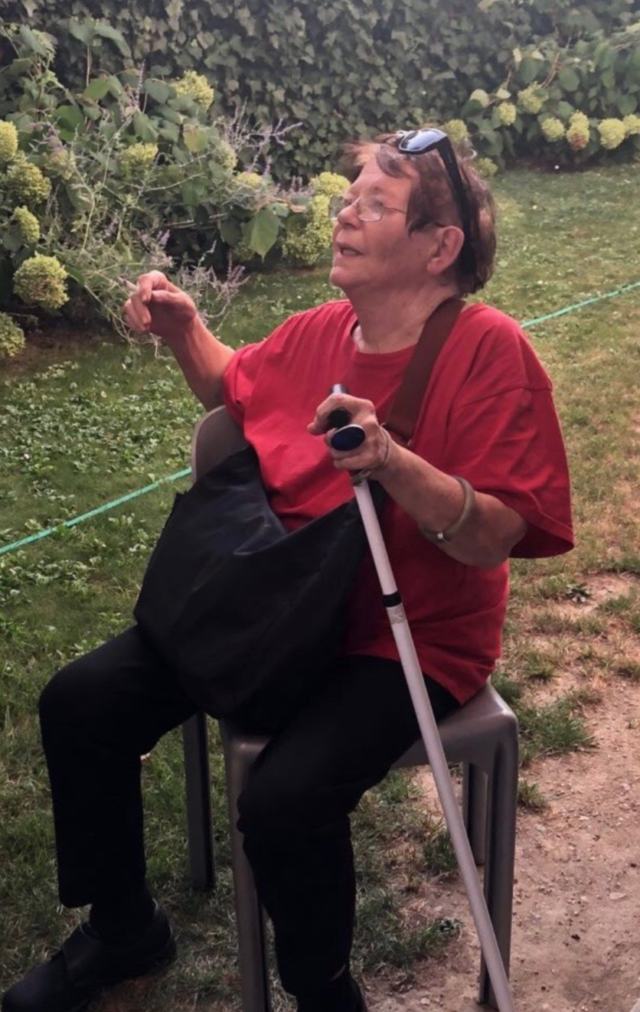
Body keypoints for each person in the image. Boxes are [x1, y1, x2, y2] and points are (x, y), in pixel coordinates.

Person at [2, 127, 573, 1012]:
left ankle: (324, 993)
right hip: (276, 604)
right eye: (350, 197)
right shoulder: (321, 330)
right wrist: (187, 329)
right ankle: (125, 932)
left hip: (404, 640)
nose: (343, 214)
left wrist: (390, 459)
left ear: (440, 246)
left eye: (374, 205)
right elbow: (237, 386)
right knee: (81, 702)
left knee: (284, 801)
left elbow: (493, 534)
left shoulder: (490, 353)